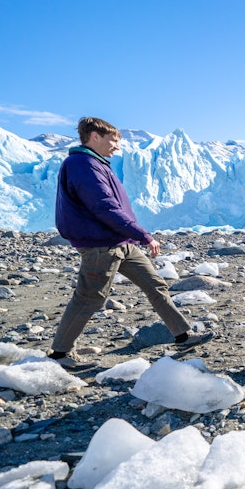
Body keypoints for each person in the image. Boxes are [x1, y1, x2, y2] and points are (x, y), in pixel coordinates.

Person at [49, 117, 213, 370]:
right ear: (94, 136)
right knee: (89, 298)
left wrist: (132, 235)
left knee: (155, 284)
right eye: (113, 140)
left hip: (120, 241)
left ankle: (183, 335)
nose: (116, 146)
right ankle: (60, 354)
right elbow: (104, 206)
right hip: (101, 246)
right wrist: (142, 234)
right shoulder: (83, 164)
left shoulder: (96, 163)